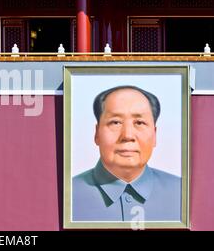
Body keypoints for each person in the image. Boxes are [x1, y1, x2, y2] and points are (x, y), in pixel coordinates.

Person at [72, 85, 181, 222]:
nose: (127, 135)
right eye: (115, 122)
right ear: (97, 133)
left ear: (155, 135)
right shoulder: (66, 194)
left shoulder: (183, 193)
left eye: (139, 122)